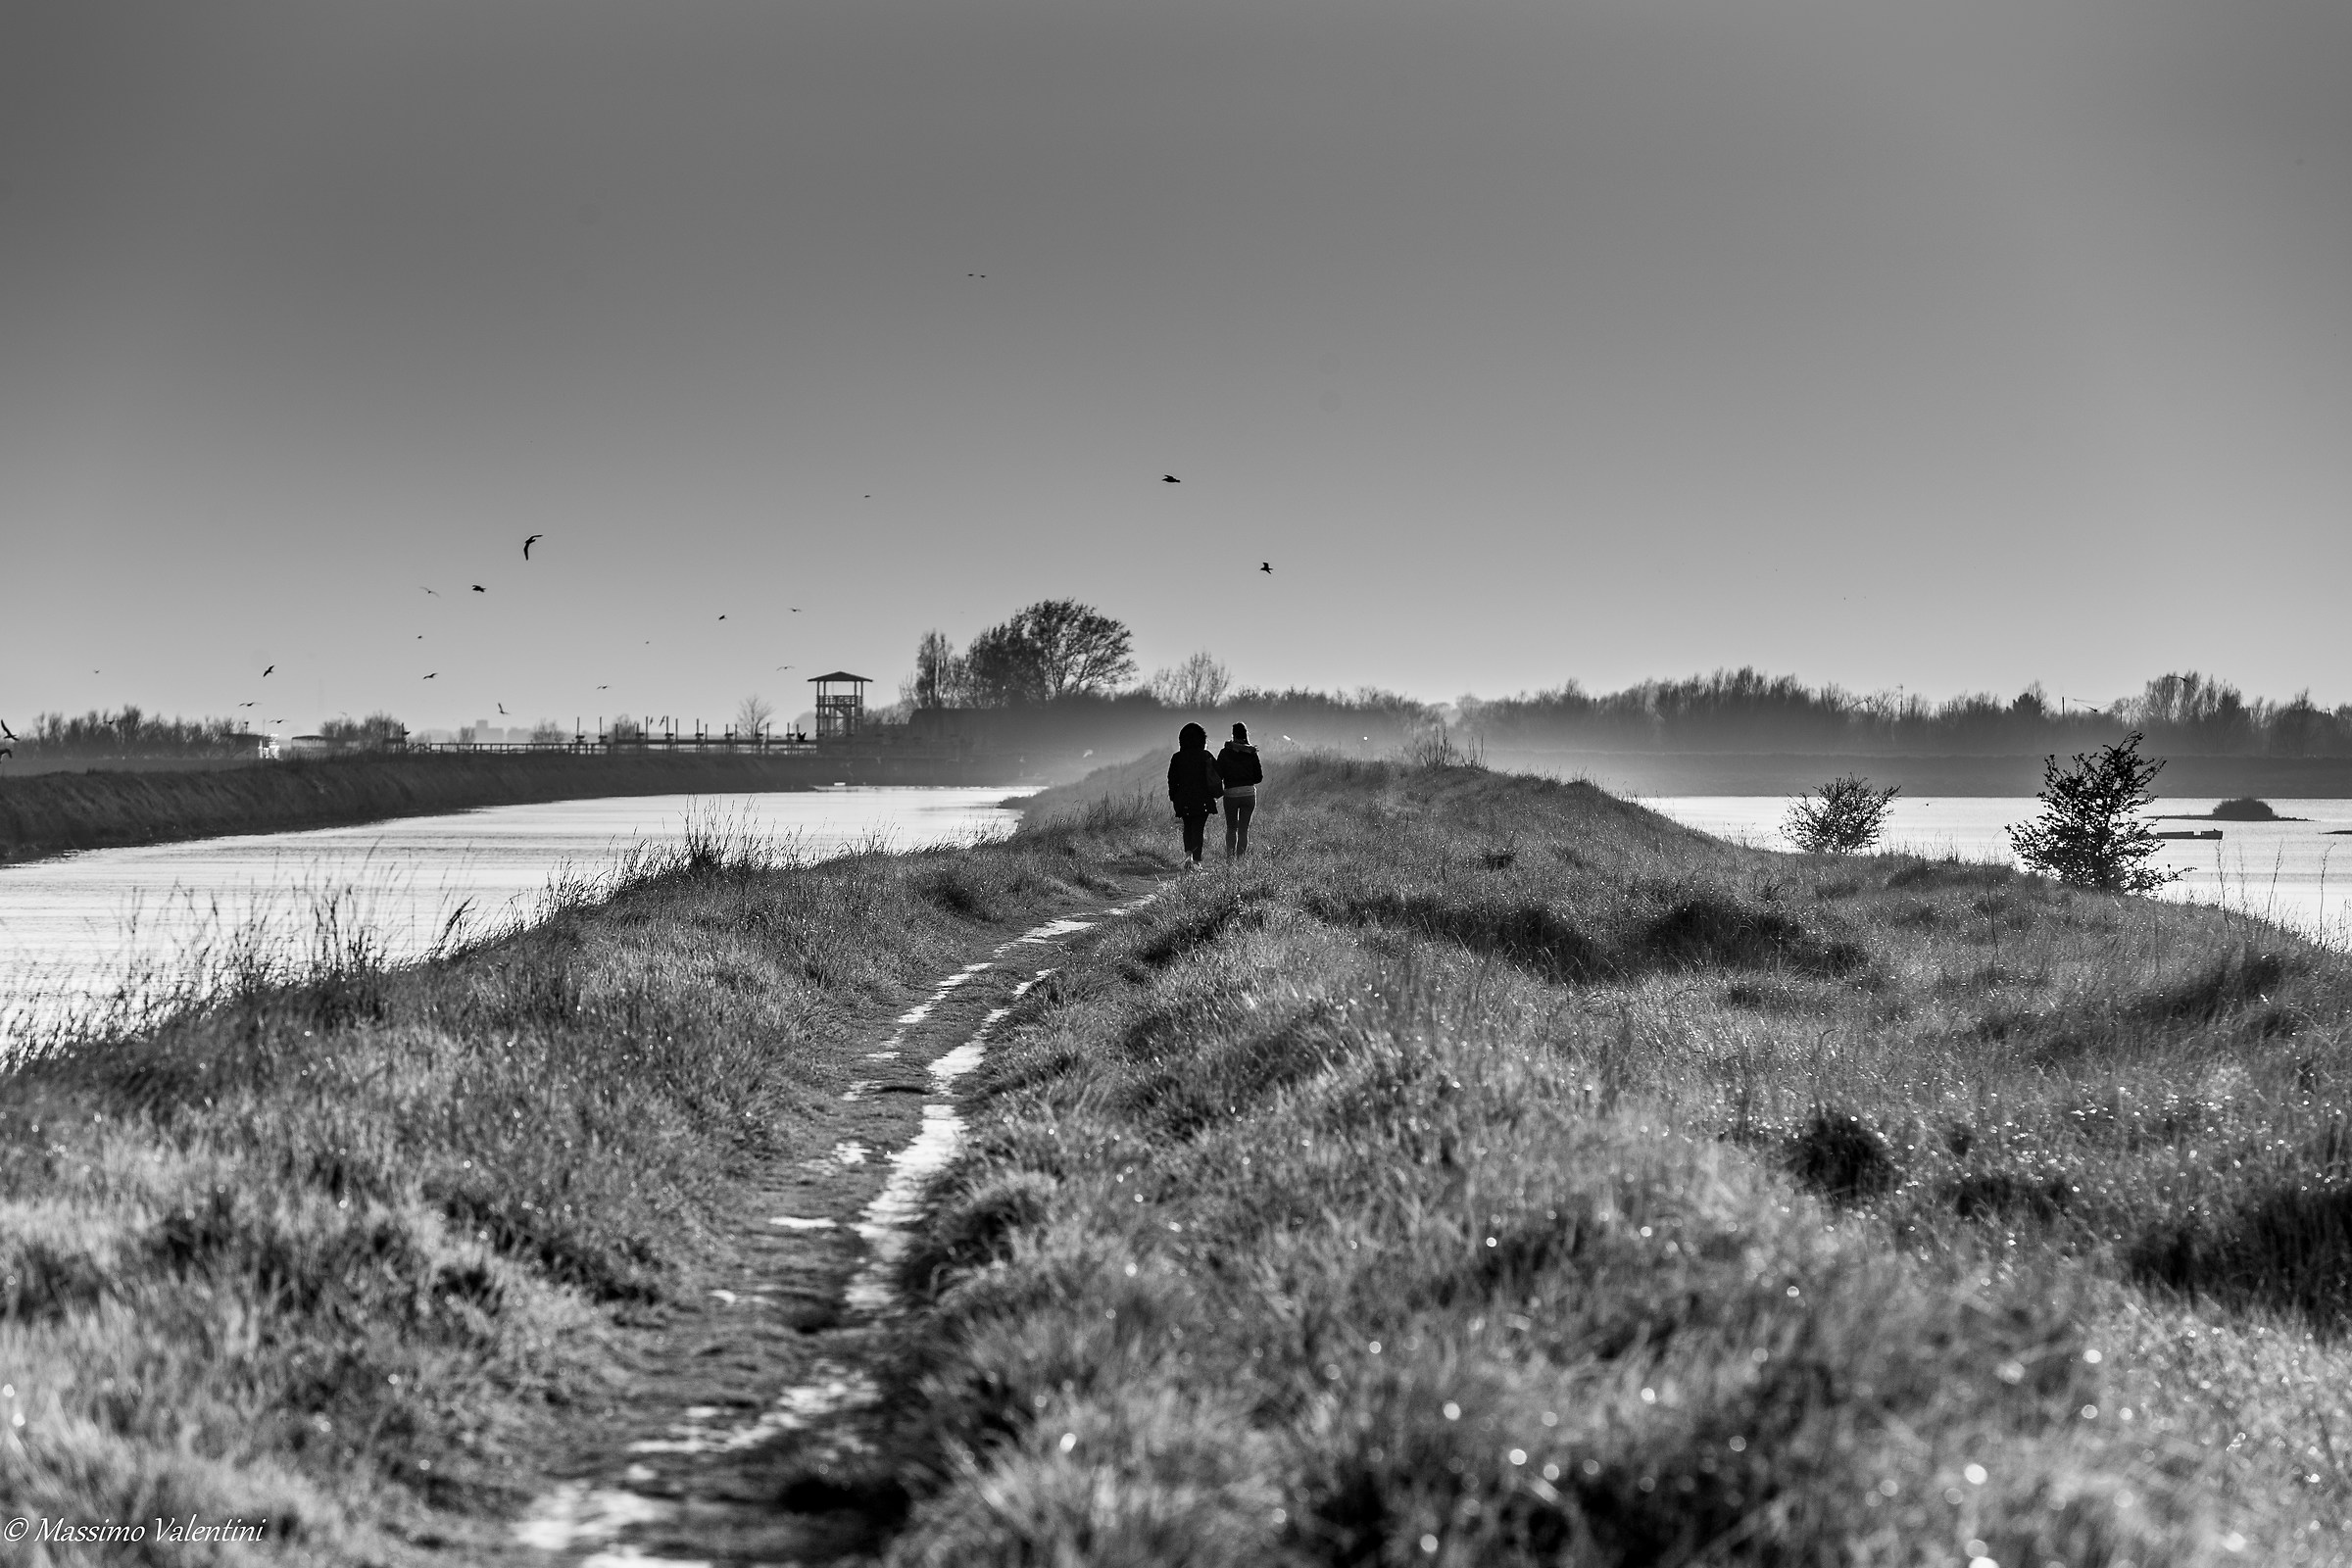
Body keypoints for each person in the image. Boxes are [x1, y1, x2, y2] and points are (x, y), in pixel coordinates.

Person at [1166, 721, 1223, 866]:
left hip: (1183, 799)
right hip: (1203, 798)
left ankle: (1188, 858)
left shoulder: (1177, 757)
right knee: (1198, 828)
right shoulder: (1205, 755)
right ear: (1202, 739)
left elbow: (1172, 779)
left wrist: (1174, 797)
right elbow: (1218, 773)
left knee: (1188, 827)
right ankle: (1196, 861)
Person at [1216, 722, 1262, 858]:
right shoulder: (1251, 753)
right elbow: (1259, 777)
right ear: (1246, 734)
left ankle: (1230, 860)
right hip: (1248, 794)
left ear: (1233, 735)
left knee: (1231, 828)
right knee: (1243, 830)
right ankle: (1240, 861)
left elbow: (1218, 774)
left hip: (1231, 794)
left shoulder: (1225, 752)